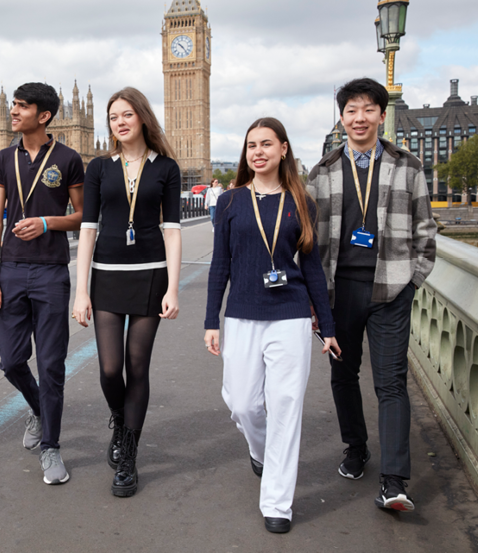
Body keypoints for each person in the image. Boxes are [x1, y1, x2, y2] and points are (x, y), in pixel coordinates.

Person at [204, 117, 340, 533]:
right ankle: (261, 451)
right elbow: (220, 265)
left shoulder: (302, 202)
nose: (258, 152)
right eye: (251, 145)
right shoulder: (230, 202)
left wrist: (328, 326)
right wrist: (211, 320)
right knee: (243, 404)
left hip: (290, 314)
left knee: (285, 405)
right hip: (242, 313)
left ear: (283, 149)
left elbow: (312, 267)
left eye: (266, 144)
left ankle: (278, 502)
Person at [306, 78, 437, 512]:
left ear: (382, 115)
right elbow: (307, 240)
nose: (359, 118)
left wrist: (412, 283)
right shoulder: (322, 171)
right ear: (342, 117)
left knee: (391, 382)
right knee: (343, 376)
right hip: (339, 291)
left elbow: (426, 231)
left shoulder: (407, 166)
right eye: (351, 111)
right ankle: (356, 447)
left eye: (368, 110)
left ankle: (394, 480)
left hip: (390, 289)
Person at [72, 87, 181, 497]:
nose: (119, 122)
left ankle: (129, 456)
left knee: (137, 367)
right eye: (113, 117)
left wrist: (173, 287)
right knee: (108, 368)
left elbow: (173, 230)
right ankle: (120, 420)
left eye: (127, 114)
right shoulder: (100, 168)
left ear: (142, 118)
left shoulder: (165, 168)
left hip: (150, 275)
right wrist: (81, 291)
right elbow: (87, 230)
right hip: (107, 275)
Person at [0, 82, 84, 485]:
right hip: (10, 270)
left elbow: (83, 215)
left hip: (51, 272)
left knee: (51, 363)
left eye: (22, 106)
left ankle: (51, 447)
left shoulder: (68, 158)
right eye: (13, 104)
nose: (14, 111)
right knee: (10, 360)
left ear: (43, 116)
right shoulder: (3, 159)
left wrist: (47, 222)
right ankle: (40, 408)